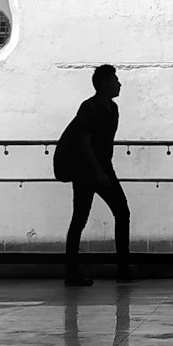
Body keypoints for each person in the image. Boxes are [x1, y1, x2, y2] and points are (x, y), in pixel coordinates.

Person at [56, 64, 133, 286]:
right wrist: (99, 171)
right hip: (88, 170)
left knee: (116, 212)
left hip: (101, 168)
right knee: (83, 217)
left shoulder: (112, 109)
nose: (119, 84)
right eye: (115, 80)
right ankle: (74, 271)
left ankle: (121, 267)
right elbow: (84, 142)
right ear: (104, 84)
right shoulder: (89, 108)